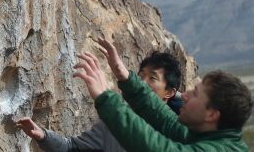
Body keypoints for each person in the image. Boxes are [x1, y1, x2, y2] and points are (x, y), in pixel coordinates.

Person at [72, 38, 252, 151]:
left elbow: (153, 145)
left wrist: (106, 98)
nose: (185, 95)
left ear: (211, 115)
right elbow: (163, 116)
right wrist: (125, 77)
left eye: (196, 94)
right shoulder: (204, 135)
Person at [17, 49, 184, 151]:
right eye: (140, 76)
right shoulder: (115, 121)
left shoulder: (179, 134)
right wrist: (43, 136)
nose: (142, 82)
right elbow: (72, 148)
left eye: (152, 78)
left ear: (169, 92)